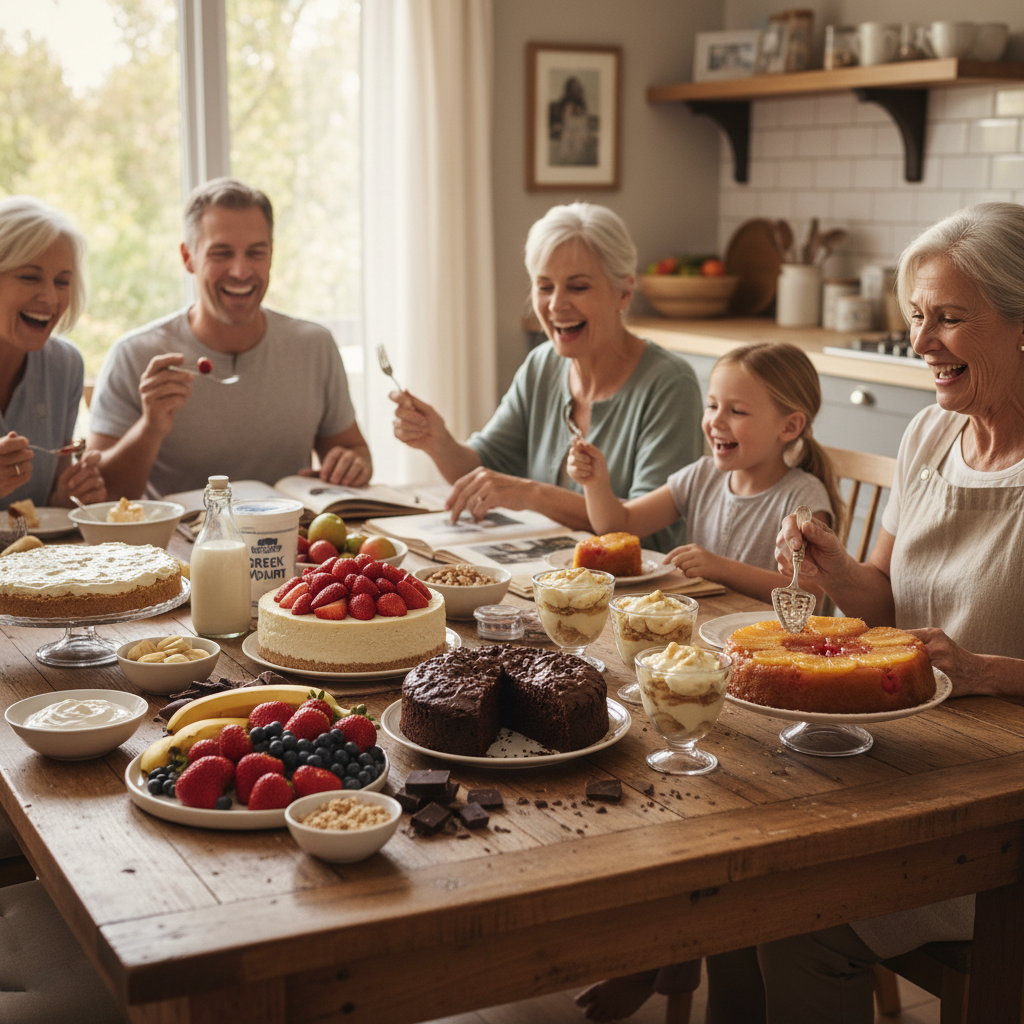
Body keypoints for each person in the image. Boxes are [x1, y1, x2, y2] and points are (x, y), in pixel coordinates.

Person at [713, 202, 1024, 1023]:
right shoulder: (927, 435)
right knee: (727, 856)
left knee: (790, 912)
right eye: (918, 316)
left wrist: (987, 671)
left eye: (950, 319)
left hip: (1000, 811)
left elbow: (970, 663)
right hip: (911, 763)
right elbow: (882, 601)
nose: (921, 344)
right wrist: (837, 568)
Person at [390, 202, 703, 552]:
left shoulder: (670, 384)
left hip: (636, 598)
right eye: (544, 286)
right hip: (547, 579)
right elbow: (482, 473)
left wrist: (530, 494)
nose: (556, 305)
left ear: (624, 293)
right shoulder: (542, 365)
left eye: (578, 287)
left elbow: (646, 534)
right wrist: (438, 441)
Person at [87, 178, 371, 498]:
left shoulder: (314, 346)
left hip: (292, 542)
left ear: (271, 255)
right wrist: (150, 428)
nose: (240, 270)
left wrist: (353, 463)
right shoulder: (135, 355)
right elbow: (100, 495)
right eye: (221, 253)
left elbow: (355, 450)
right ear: (188, 258)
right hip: (176, 546)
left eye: (256, 253)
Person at [568, 342, 841, 604]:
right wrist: (595, 483)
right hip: (704, 628)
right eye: (711, 406)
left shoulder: (804, 496)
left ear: (789, 427)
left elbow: (808, 594)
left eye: (736, 411)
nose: (715, 421)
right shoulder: (701, 476)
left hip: (767, 643)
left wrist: (722, 569)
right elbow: (620, 525)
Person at [0, 195, 105, 510]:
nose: (50, 297)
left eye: (62, 281)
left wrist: (69, 496)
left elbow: (50, 511)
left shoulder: (65, 366)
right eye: (29, 277)